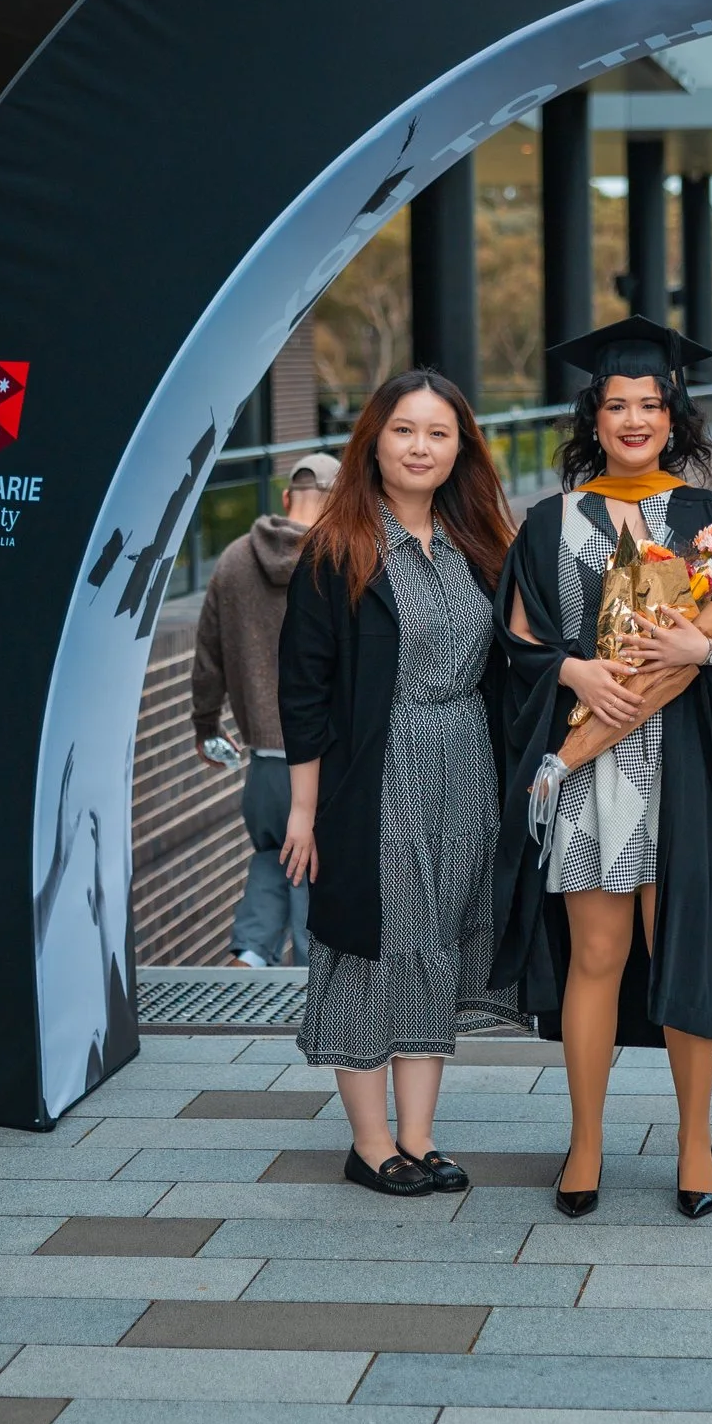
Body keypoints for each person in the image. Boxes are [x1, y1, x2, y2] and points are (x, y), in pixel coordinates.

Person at [494, 316, 712, 1221]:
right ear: (592, 417)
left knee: (684, 946)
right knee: (597, 952)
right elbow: (515, 640)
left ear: (675, 417)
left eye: (650, 405)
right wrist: (574, 669)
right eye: (616, 404)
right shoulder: (550, 521)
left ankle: (694, 1140)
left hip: (689, 763)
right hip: (594, 768)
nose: (633, 419)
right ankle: (585, 1141)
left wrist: (703, 652)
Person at [277, 371, 519, 1198]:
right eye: (405, 431)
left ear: (461, 449)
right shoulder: (339, 548)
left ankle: (418, 1136)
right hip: (373, 778)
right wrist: (304, 811)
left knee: (436, 948)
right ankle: (370, 1142)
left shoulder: (478, 543)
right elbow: (301, 690)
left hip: (465, 769)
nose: (421, 447)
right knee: (371, 951)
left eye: (439, 433)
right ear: (374, 441)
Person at [192, 452, 341, 969]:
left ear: (285, 497)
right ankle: (308, 991)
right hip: (321, 758)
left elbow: (207, 659)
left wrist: (205, 728)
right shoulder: (339, 558)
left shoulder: (233, 560)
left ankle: (250, 956)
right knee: (313, 874)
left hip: (262, 764)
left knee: (270, 858)